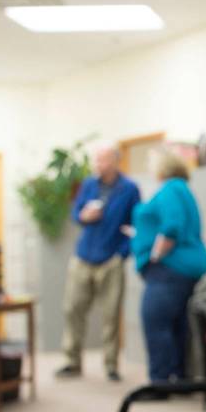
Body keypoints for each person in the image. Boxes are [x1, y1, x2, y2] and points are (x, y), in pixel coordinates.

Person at [57, 144, 141, 381]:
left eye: (103, 159)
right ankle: (72, 361)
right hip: (83, 256)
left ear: (115, 161)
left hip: (110, 260)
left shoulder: (129, 188)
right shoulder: (89, 184)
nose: (98, 164)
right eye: (97, 159)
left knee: (110, 315)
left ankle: (111, 365)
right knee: (72, 309)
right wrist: (83, 215)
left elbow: (136, 224)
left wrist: (122, 254)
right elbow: (76, 213)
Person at [131, 148, 206, 383]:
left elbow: (172, 226)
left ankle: (160, 382)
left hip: (169, 268)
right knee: (176, 324)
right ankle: (177, 376)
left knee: (156, 322)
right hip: (182, 269)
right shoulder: (181, 188)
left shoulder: (170, 189)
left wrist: (155, 255)